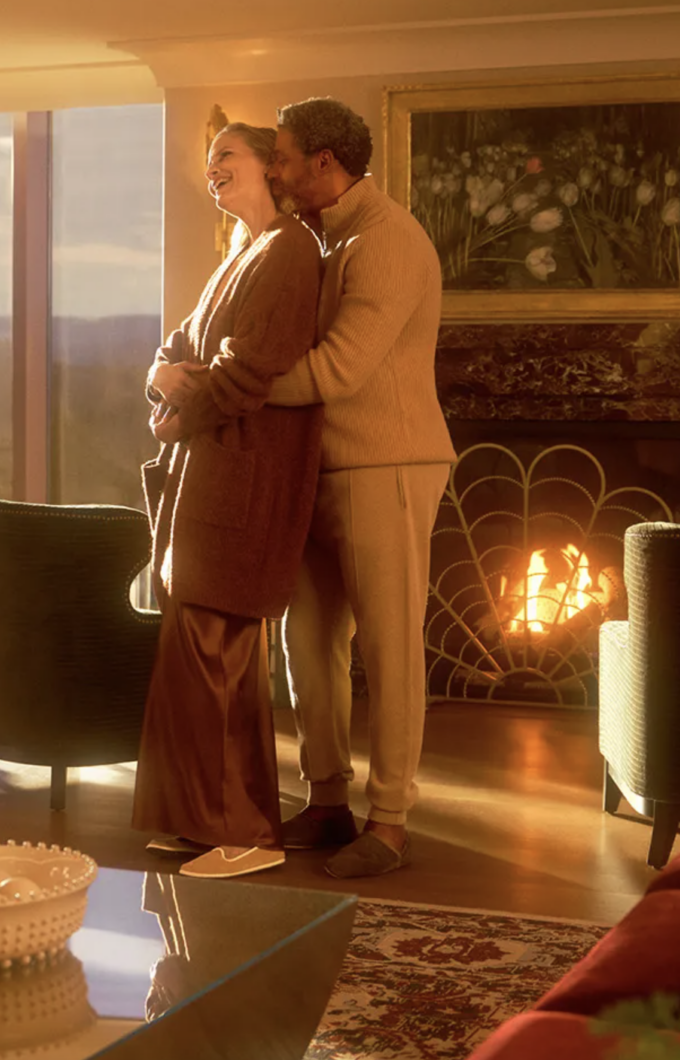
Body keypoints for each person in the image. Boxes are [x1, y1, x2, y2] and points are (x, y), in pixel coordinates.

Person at [265, 97, 456, 878]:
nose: (274, 171)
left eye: (281, 157)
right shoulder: (315, 238)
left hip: (389, 464)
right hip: (317, 467)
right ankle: (326, 800)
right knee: (307, 640)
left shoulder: (388, 240)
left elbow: (339, 369)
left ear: (324, 162)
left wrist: (228, 389)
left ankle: (391, 821)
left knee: (389, 644)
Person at [131, 122, 323, 880]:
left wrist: (175, 414)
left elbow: (248, 373)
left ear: (270, 167)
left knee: (221, 648)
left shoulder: (290, 252)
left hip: (245, 477)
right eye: (208, 160)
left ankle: (249, 832)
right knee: (190, 646)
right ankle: (196, 821)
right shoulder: (239, 254)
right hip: (204, 472)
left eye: (226, 157)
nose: (212, 169)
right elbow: (177, 346)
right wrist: (159, 377)